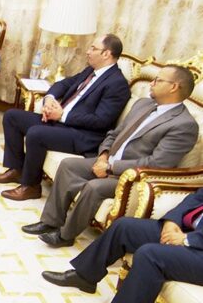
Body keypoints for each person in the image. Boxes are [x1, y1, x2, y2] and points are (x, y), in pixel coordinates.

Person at [24, 65, 199, 247]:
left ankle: (65, 236)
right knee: (69, 165)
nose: (152, 83)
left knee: (94, 187)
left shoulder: (184, 125)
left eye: (158, 80)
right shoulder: (143, 104)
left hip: (132, 177)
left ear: (173, 87)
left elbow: (157, 163)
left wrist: (110, 168)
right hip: (109, 161)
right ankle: (50, 221)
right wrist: (104, 155)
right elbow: (114, 133)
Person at [41, 188, 203, 303]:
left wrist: (187, 239)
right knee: (123, 226)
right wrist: (172, 221)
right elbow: (197, 196)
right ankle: (85, 276)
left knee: (149, 255)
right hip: (189, 231)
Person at [0, 34, 130, 201]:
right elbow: (63, 84)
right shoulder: (91, 71)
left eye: (93, 48)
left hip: (83, 135)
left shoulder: (117, 84)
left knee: (36, 134)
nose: (88, 51)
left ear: (106, 54)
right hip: (62, 122)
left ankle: (31, 186)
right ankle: (17, 170)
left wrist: (63, 116)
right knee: (12, 116)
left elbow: (101, 121)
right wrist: (49, 100)